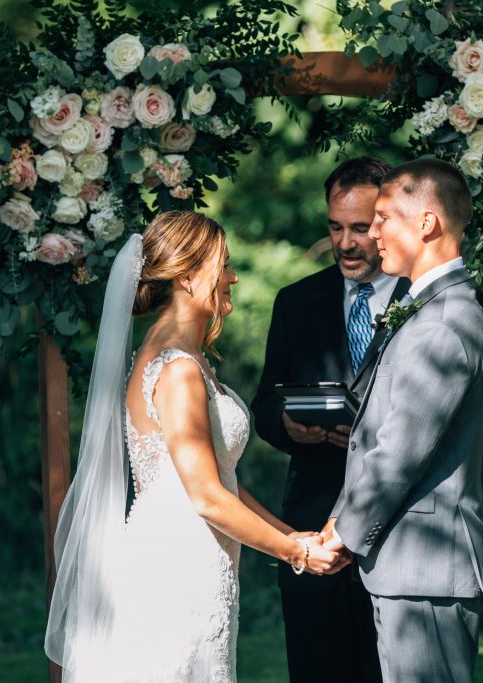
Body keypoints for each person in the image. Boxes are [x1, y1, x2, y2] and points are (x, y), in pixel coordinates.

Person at [44, 210, 340, 682]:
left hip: (196, 556)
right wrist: (295, 554)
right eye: (223, 265)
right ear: (186, 276)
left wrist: (292, 533)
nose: (233, 277)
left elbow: (219, 477)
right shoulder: (178, 370)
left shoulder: (186, 359)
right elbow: (204, 496)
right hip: (176, 564)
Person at [322, 158, 483, 682]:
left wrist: (341, 536)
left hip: (426, 570)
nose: (371, 234)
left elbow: (399, 450)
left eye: (381, 218)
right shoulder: (430, 308)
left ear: (426, 223)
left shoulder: (443, 322)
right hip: (411, 567)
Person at [251, 157, 404, 683]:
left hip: (402, 532)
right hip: (313, 526)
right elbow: (264, 403)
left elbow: (482, 418)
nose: (345, 242)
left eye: (360, 228)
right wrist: (287, 426)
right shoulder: (296, 302)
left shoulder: (428, 300)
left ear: (389, 221)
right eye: (335, 227)